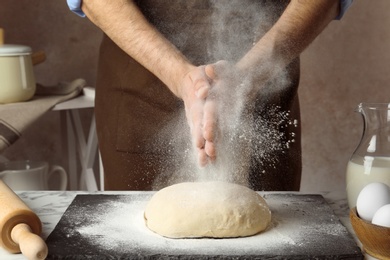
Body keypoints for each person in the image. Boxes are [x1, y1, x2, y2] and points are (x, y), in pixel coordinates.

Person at [67, 0, 353, 191]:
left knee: (267, 240)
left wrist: (246, 79)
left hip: (264, 88)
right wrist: (179, 76)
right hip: (142, 90)